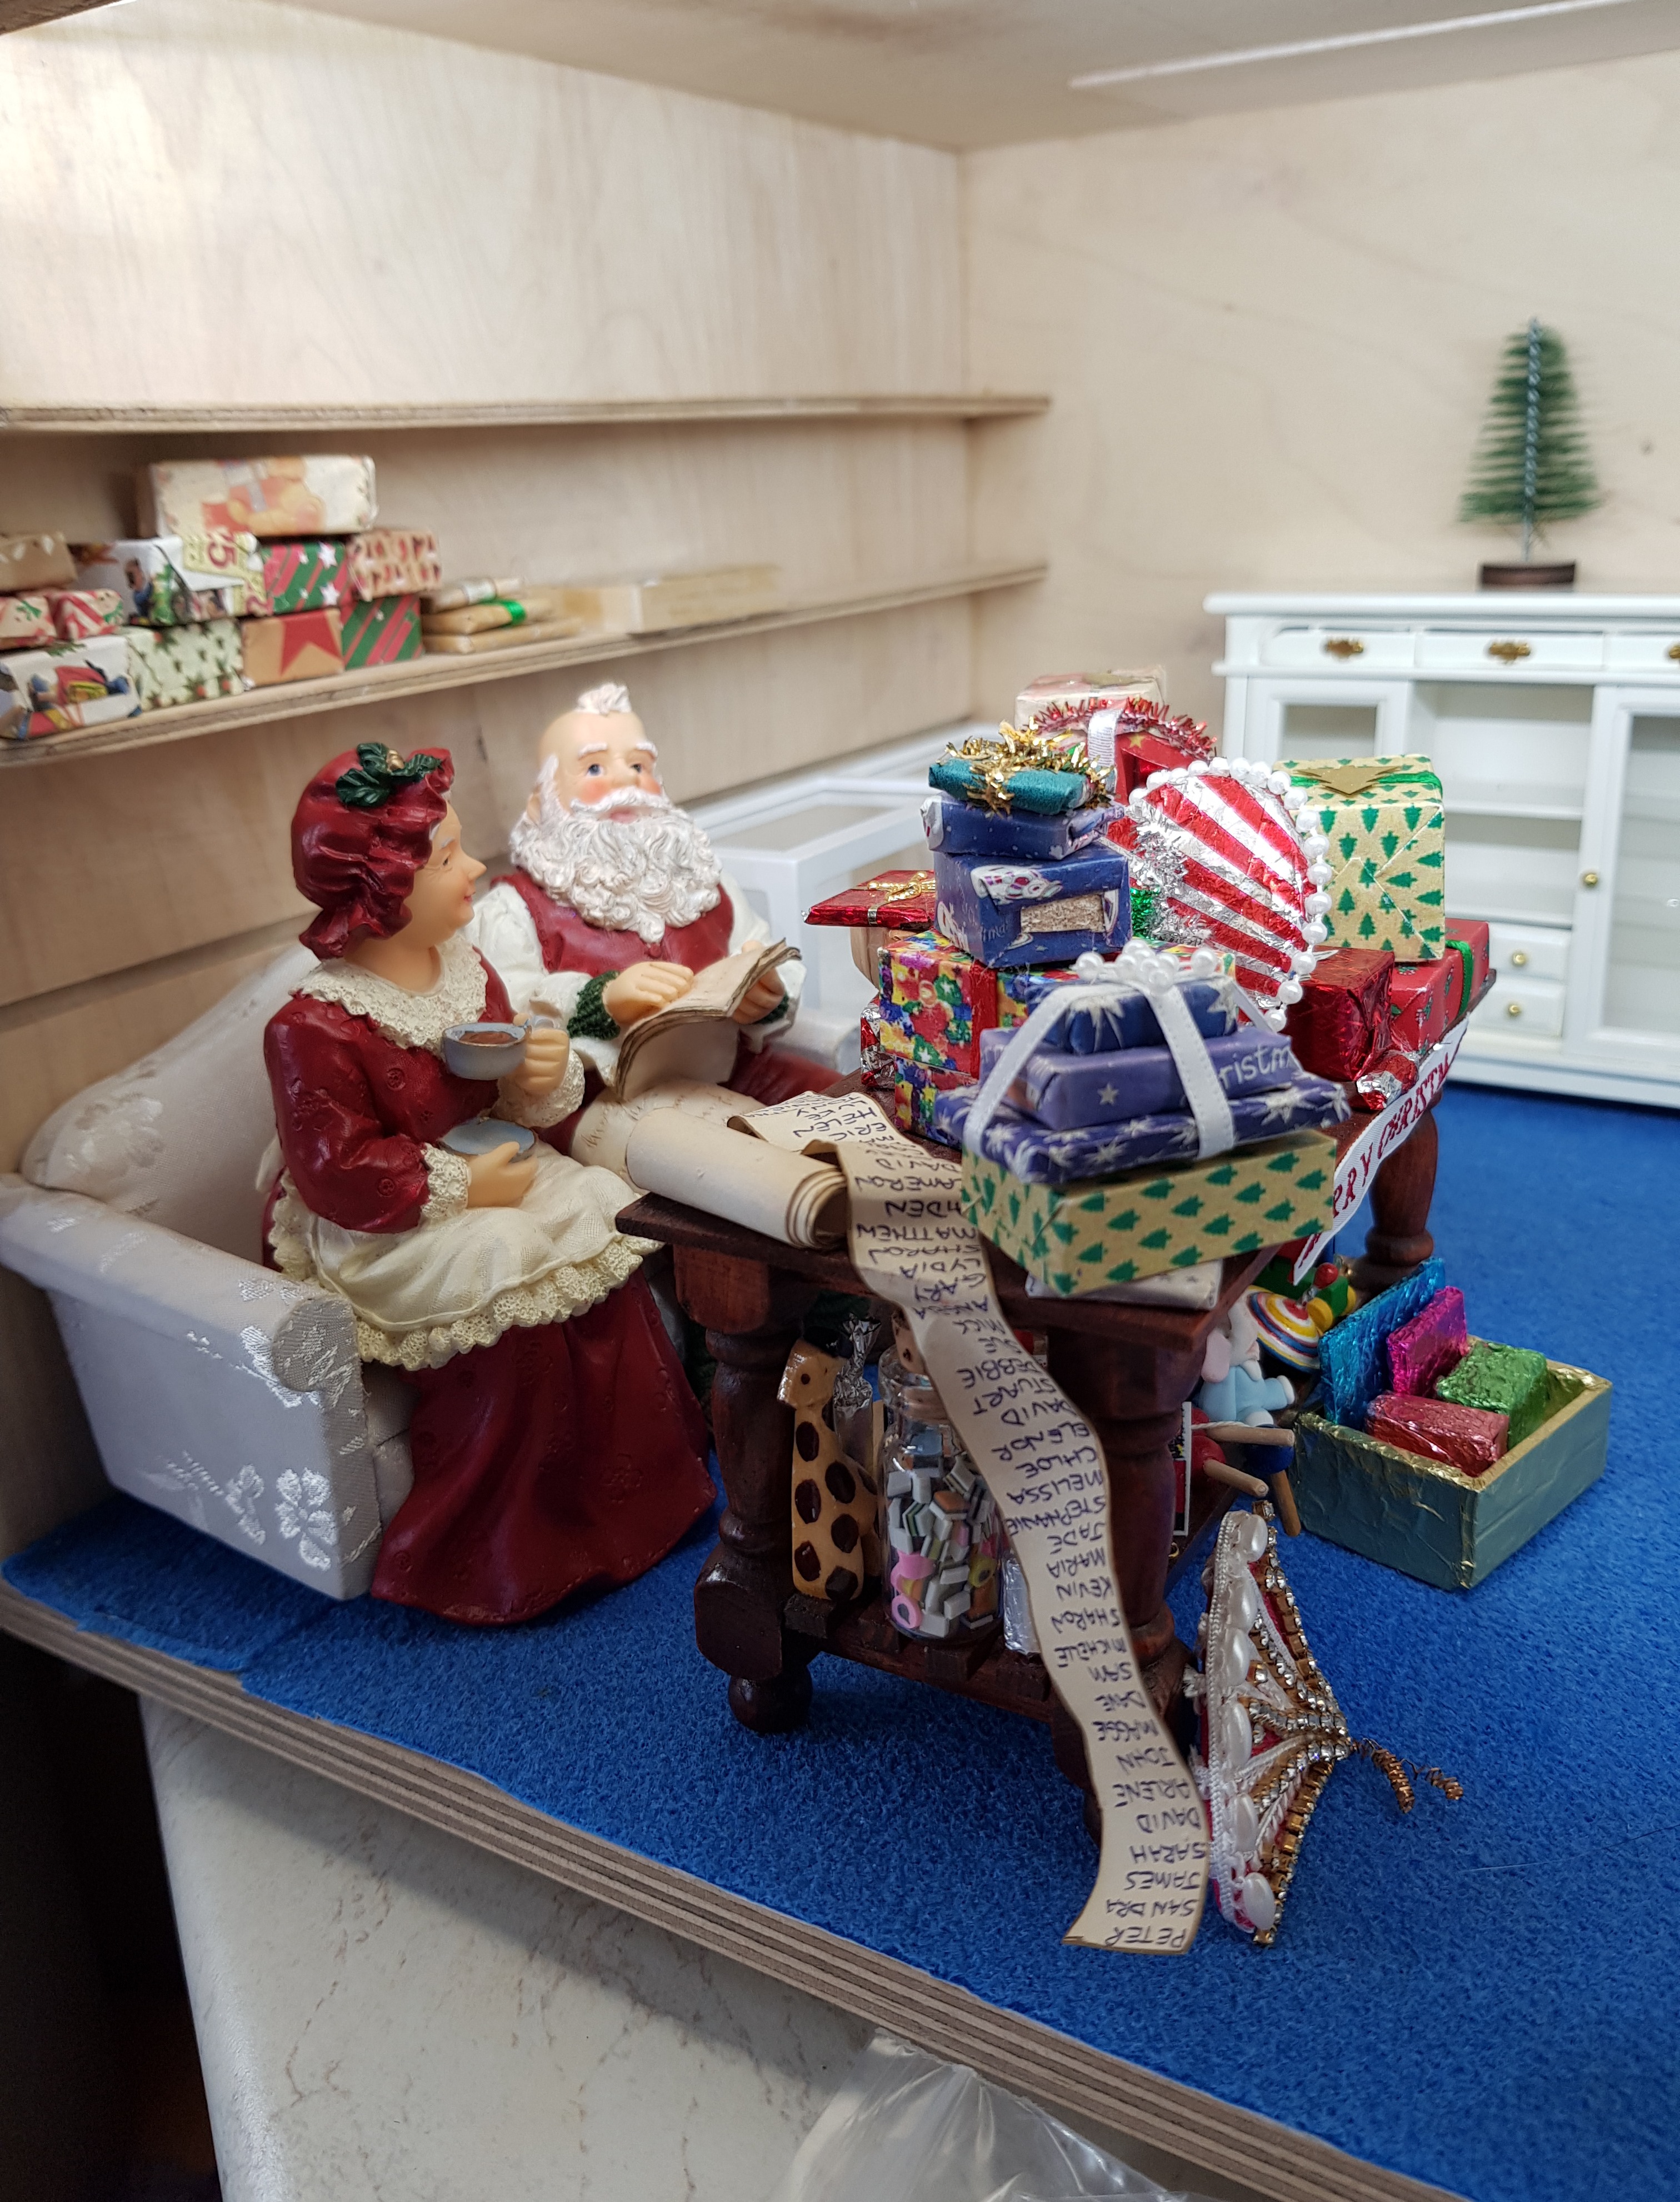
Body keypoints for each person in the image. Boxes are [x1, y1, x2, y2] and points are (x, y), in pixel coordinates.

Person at [262, 740, 714, 1625]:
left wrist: (540, 1073)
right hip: (387, 1218)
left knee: (598, 1207)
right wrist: (462, 1187)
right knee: (506, 1256)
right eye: (446, 858)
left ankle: (641, 1495)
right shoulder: (312, 1028)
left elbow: (507, 1097)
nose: (473, 868)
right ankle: (505, 1544)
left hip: (488, 1167)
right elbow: (335, 1172)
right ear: (385, 886)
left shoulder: (466, 967)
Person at [469, 682, 836, 1108]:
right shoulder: (513, 910)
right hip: (609, 1101)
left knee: (853, 1100)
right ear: (541, 804)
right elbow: (508, 1008)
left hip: (738, 1075)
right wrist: (602, 1002)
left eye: (639, 765)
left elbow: (764, 955)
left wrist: (767, 998)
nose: (627, 779)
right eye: (594, 768)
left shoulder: (703, 884)